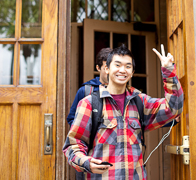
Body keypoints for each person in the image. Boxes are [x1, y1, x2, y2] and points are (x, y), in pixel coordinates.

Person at [63, 44, 183, 179]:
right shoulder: (89, 103)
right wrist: (86, 162)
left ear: (132, 72)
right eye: (118, 65)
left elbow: (174, 108)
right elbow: (73, 145)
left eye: (128, 66)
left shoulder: (141, 102)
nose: (122, 70)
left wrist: (168, 70)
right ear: (107, 69)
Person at [67, 47, 112, 126]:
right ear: (98, 68)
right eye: (106, 68)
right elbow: (72, 118)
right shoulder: (85, 90)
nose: (110, 72)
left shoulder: (123, 91)